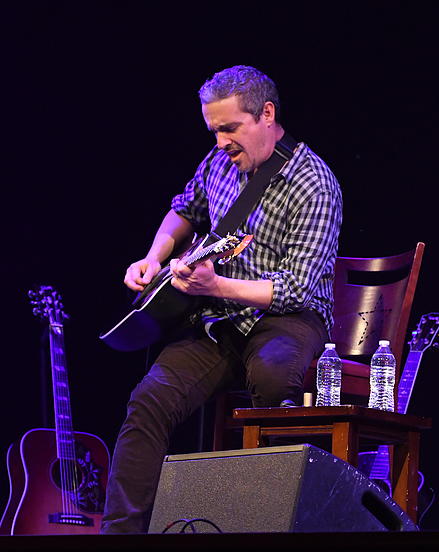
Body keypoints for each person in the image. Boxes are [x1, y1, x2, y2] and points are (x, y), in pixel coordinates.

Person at [101, 65, 342, 533]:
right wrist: (154, 257)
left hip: (286, 317)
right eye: (214, 130)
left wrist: (217, 286)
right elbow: (184, 209)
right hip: (218, 320)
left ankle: (267, 526)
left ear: (266, 114)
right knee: (147, 402)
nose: (220, 142)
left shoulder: (314, 183)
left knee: (273, 383)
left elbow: (296, 289)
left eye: (229, 128)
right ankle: (120, 534)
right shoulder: (216, 164)